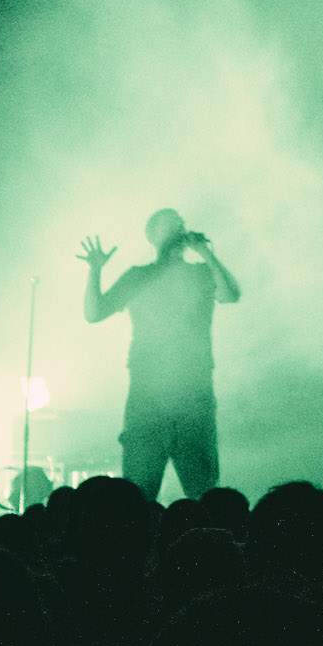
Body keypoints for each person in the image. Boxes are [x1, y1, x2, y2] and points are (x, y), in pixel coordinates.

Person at [80, 210, 244, 502]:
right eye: (169, 227)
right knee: (137, 496)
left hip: (193, 394)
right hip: (147, 396)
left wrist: (206, 253)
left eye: (180, 226)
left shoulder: (201, 273)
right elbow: (94, 313)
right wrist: (95, 270)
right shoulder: (138, 276)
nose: (177, 231)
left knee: (204, 493)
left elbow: (231, 294)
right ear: (152, 236)